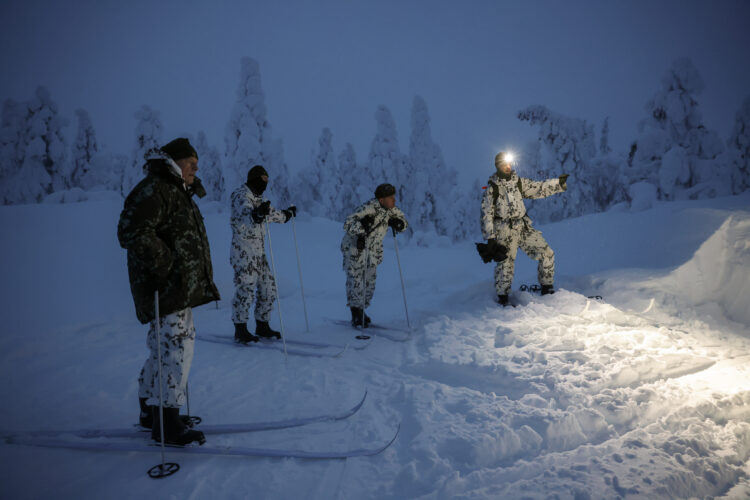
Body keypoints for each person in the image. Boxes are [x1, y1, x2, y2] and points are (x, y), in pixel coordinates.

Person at [118, 137, 220, 445]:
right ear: (175, 162)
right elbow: (131, 231)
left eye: (197, 166)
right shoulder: (157, 189)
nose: (194, 170)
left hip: (175, 287)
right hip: (165, 286)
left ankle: (151, 409)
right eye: (191, 165)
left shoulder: (175, 190)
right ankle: (167, 422)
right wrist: (165, 264)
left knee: (163, 347)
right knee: (176, 349)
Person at [480, 151, 569, 306]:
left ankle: (547, 288)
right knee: (505, 264)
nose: (508, 167)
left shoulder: (518, 182)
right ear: (498, 166)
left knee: (547, 253)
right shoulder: (492, 189)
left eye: (509, 163)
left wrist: (558, 184)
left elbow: (538, 188)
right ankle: (503, 298)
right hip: (504, 230)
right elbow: (486, 214)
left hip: (523, 226)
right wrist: (491, 238)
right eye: (504, 164)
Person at [230, 165, 296, 343]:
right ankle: (240, 328)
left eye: (267, 181)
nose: (264, 184)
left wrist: (286, 214)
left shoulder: (259, 198)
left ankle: (262, 324)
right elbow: (246, 213)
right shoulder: (240, 195)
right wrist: (256, 214)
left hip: (259, 254)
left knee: (269, 288)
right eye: (261, 180)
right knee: (246, 289)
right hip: (243, 252)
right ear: (253, 179)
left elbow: (270, 213)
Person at [341, 183, 408, 327]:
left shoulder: (390, 210)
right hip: (355, 249)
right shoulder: (368, 208)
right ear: (382, 199)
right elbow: (347, 224)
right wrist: (362, 226)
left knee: (369, 283)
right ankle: (356, 314)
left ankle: (362, 309)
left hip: (372, 252)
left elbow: (404, 222)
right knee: (356, 281)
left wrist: (399, 223)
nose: (394, 200)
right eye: (391, 197)